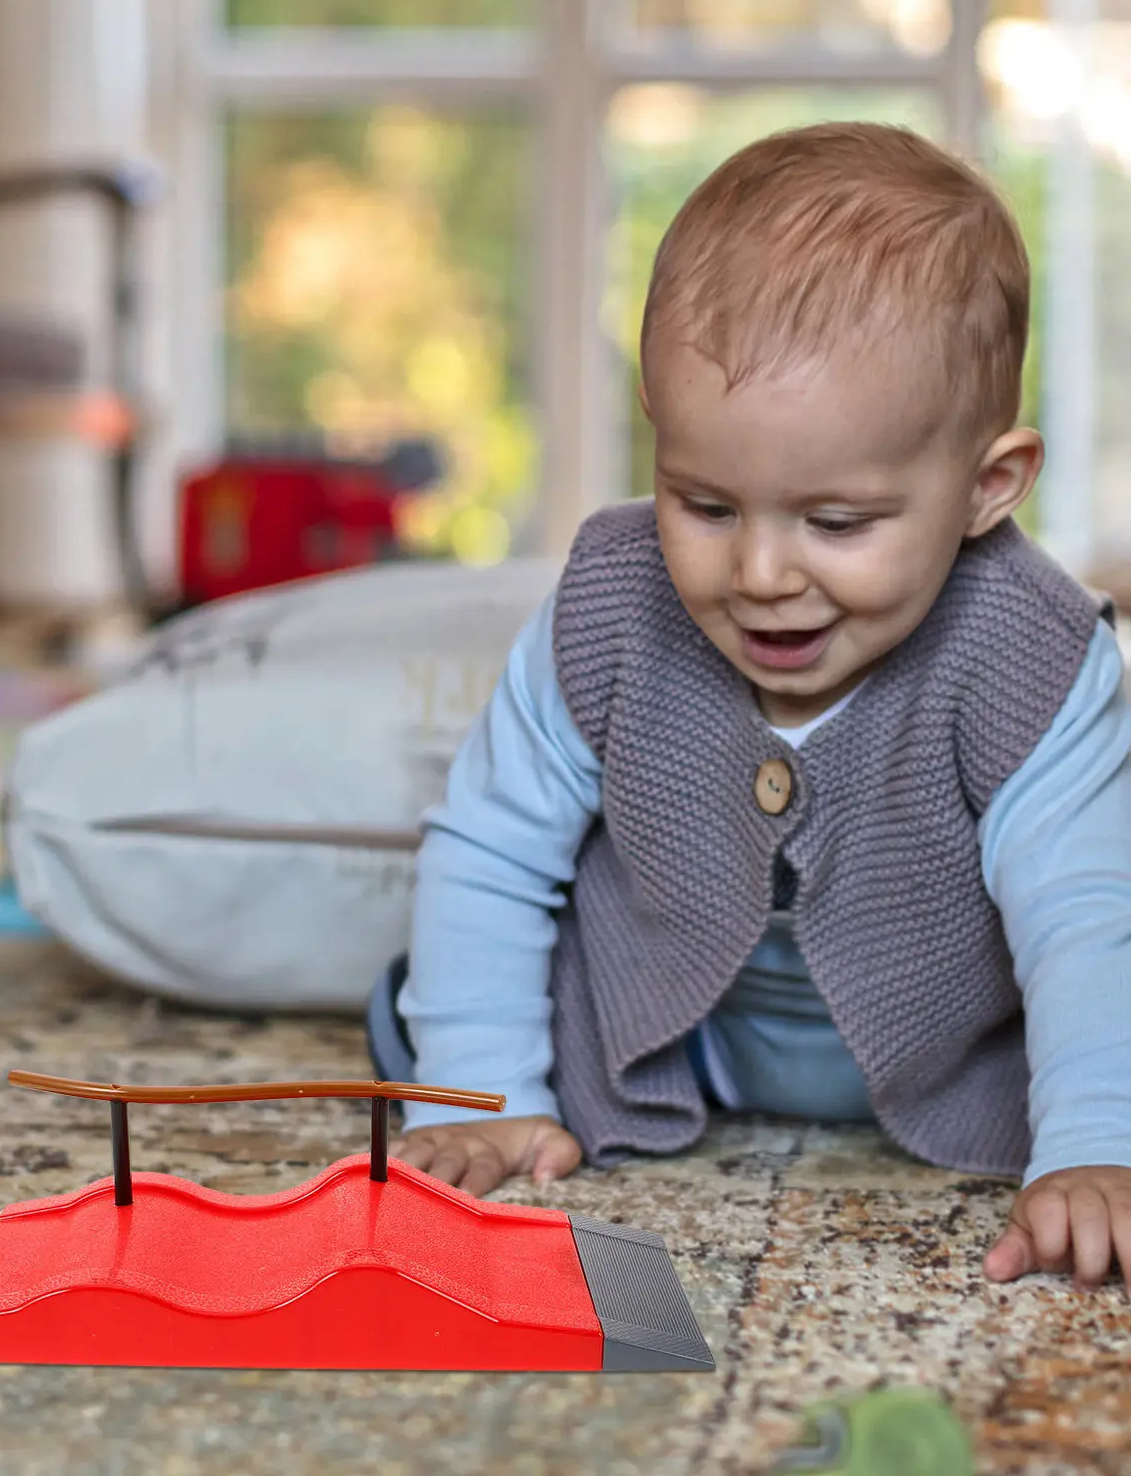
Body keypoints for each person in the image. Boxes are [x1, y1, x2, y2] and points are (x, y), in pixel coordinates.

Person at [365, 122, 1131, 1292]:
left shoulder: (1029, 655)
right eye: (705, 503)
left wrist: (1093, 1147)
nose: (761, 572)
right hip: (656, 1033)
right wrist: (482, 1094)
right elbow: (490, 848)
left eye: (837, 524)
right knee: (421, 1002)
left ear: (987, 487)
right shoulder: (610, 608)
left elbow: (1082, 914)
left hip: (961, 1051)